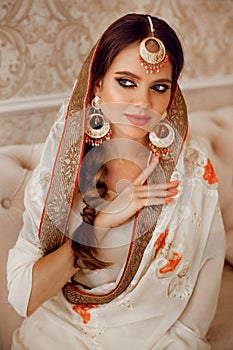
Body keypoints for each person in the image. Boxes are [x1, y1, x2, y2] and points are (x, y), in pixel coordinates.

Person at [7, 13, 225, 350]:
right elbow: (25, 296)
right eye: (126, 82)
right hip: (58, 337)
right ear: (97, 84)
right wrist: (99, 226)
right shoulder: (65, 169)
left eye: (159, 87)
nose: (142, 102)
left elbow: (192, 322)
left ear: (171, 96)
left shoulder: (193, 172)